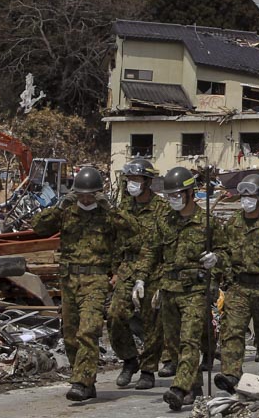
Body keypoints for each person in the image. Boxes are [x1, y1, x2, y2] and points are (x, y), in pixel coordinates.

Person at [33, 166, 134, 402]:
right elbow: (38, 227)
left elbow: (132, 229)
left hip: (96, 279)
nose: (86, 199)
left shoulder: (107, 215)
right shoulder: (67, 212)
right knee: (70, 335)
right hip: (69, 280)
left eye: (91, 195)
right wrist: (59, 206)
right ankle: (87, 380)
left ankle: (81, 381)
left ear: (98, 193)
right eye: (81, 194)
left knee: (88, 331)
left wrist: (109, 206)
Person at [141, 166, 212, 411]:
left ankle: (179, 389)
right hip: (169, 288)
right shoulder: (166, 221)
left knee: (189, 341)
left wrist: (217, 259)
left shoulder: (206, 222)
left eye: (177, 195)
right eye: (170, 196)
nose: (173, 200)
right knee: (172, 344)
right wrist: (141, 278)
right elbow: (151, 251)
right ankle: (194, 387)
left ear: (191, 193)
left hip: (194, 289)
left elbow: (225, 251)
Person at [104, 158, 171, 390]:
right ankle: (129, 359)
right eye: (129, 179)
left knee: (152, 321)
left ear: (147, 181)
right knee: (115, 316)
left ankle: (148, 369)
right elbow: (115, 241)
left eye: (137, 179)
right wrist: (113, 271)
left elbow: (167, 243)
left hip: (154, 270)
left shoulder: (162, 209)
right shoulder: (123, 208)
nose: (132, 183)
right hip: (127, 268)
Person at [212, 174, 259, 393]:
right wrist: (216, 265)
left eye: (251, 195)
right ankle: (231, 374)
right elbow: (224, 251)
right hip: (239, 286)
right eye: (243, 195)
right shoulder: (234, 223)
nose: (246, 199)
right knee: (232, 330)